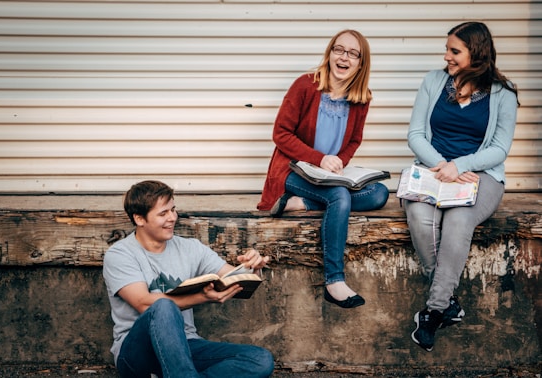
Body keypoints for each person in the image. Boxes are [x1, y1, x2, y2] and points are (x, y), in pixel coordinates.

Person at [405, 21, 519, 351]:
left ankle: (434, 309)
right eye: (448, 50)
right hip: (433, 169)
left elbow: (499, 148)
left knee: (458, 219)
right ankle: (448, 304)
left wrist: (461, 165)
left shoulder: (503, 93)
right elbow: (415, 135)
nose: (447, 56)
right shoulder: (433, 81)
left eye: (455, 51)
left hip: (479, 175)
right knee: (419, 216)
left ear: (477, 54)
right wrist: (443, 166)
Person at [257, 29, 389, 309]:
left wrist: (339, 161)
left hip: (327, 175)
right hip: (294, 171)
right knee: (339, 197)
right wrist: (319, 159)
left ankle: (300, 203)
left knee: (379, 193)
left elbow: (354, 140)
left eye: (353, 54)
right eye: (338, 50)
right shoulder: (305, 86)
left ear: (361, 63)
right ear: (329, 54)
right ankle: (334, 281)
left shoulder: (361, 97)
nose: (344, 57)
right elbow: (281, 133)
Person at [103, 180, 274, 377]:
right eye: (163, 213)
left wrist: (253, 268)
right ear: (139, 219)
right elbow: (143, 304)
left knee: (259, 360)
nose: (173, 218)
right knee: (162, 306)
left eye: (173, 210)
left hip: (185, 346)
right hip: (137, 353)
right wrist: (202, 297)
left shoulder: (191, 248)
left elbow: (235, 280)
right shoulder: (120, 254)